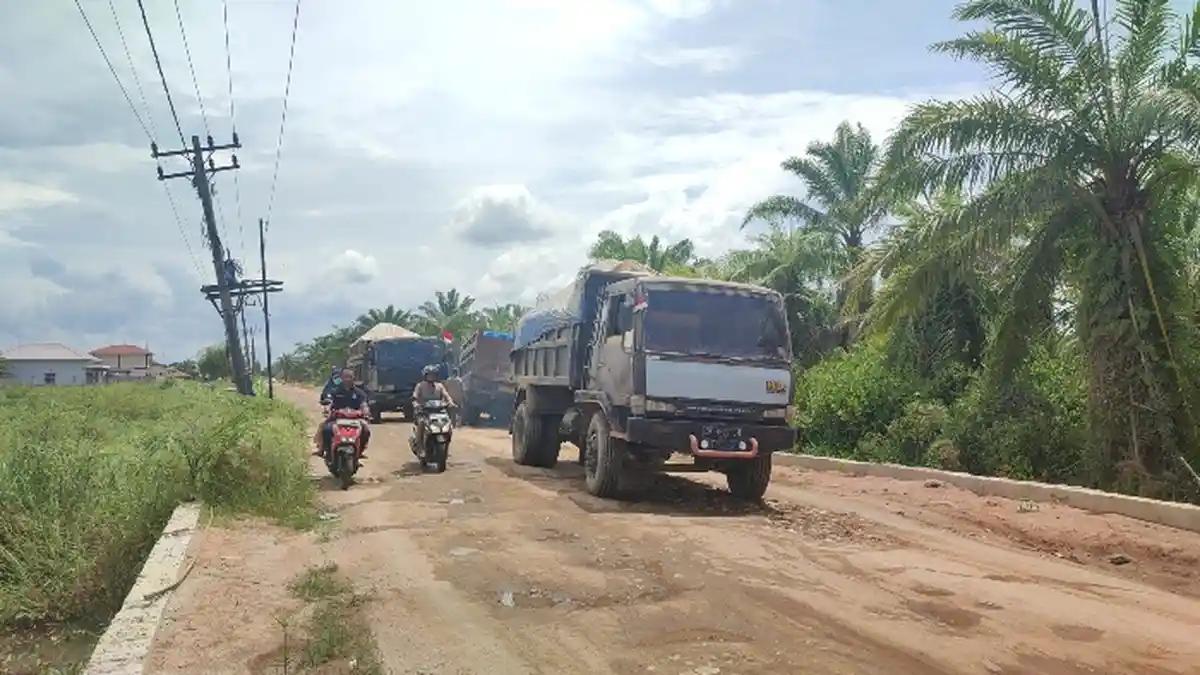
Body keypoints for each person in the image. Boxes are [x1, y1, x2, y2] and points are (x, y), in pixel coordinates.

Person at [315, 368, 372, 459]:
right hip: (336, 418)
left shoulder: (359, 393)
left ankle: (360, 451)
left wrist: (366, 411)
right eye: (345, 377)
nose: (348, 379)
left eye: (350, 377)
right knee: (326, 429)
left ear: (354, 378)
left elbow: (364, 404)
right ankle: (324, 450)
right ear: (341, 378)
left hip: (356, 419)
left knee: (366, 429)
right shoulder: (334, 391)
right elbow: (329, 401)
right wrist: (327, 408)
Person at [410, 364, 455, 450]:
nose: (431, 377)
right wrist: (416, 404)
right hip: (423, 411)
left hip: (438, 411)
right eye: (429, 375)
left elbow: (446, 395)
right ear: (425, 375)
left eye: (433, 375)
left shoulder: (440, 386)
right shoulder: (420, 385)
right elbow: (415, 396)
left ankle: (446, 444)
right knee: (421, 423)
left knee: (448, 425)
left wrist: (451, 402)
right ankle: (420, 447)